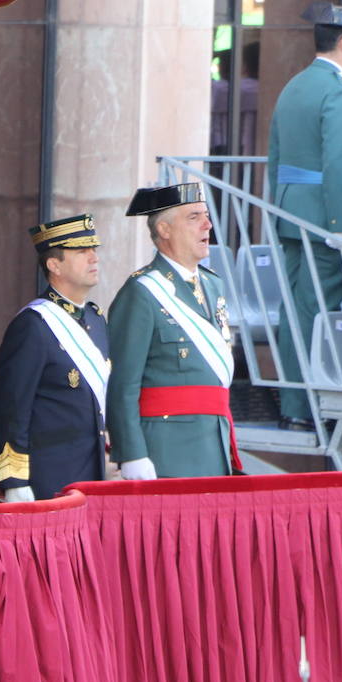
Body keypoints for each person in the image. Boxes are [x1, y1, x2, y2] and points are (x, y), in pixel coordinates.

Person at [267, 1, 342, 430]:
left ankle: (295, 404)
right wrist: (340, 225)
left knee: (297, 309)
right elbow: (339, 163)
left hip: (292, 212)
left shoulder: (295, 84)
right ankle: (307, 407)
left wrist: (277, 209)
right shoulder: (339, 90)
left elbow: (274, 157)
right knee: (317, 310)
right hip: (324, 218)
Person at [107, 184, 238, 479]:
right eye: (194, 217)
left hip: (214, 443)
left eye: (206, 216)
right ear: (164, 230)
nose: (207, 225)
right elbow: (121, 384)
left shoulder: (212, 284)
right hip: (166, 451)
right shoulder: (141, 293)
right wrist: (132, 454)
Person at [0, 214, 109, 502]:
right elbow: (11, 409)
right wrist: (14, 479)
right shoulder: (33, 324)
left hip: (94, 474)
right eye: (81, 252)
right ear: (54, 265)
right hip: (48, 476)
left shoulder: (96, 319)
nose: (93, 258)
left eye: (93, 249)